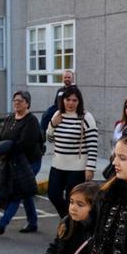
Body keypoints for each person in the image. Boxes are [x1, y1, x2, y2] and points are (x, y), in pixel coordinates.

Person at [0, 91, 44, 234]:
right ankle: (33, 223)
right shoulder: (10, 118)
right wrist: (3, 149)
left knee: (17, 192)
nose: (17, 102)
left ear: (27, 103)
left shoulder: (31, 120)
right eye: (15, 100)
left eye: (20, 100)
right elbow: (1, 137)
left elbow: (25, 143)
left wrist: (8, 149)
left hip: (30, 162)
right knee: (25, 193)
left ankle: (2, 224)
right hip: (13, 161)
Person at [46, 85, 98, 218]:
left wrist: (90, 168)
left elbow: (92, 144)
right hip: (58, 165)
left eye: (74, 100)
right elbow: (50, 139)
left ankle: (70, 228)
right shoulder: (58, 114)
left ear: (79, 101)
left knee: (73, 199)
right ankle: (68, 222)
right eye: (68, 99)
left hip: (77, 168)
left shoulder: (86, 117)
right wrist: (53, 124)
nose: (70, 103)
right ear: (62, 100)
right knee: (53, 195)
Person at [40, 70, 75, 135]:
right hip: (57, 108)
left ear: (72, 79)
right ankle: (42, 134)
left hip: (67, 111)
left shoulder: (75, 90)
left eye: (69, 77)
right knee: (45, 115)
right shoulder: (60, 90)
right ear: (62, 79)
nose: (67, 79)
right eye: (65, 77)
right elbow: (56, 102)